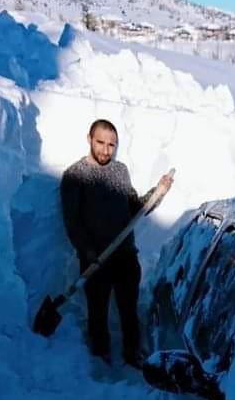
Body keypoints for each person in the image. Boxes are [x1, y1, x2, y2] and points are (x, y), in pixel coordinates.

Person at [60, 119, 173, 366]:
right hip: (95, 259)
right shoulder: (75, 176)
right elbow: (72, 222)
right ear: (89, 139)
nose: (106, 150)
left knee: (129, 311)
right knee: (97, 313)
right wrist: (88, 252)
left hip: (125, 255)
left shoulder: (120, 171)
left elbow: (135, 210)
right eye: (100, 142)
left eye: (112, 145)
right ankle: (100, 357)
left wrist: (159, 191)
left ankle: (132, 355)